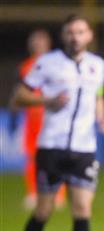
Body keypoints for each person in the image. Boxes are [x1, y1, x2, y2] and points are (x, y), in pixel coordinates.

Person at [11, 15, 104, 231]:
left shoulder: (97, 65)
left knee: (82, 210)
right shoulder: (48, 63)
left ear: (89, 36)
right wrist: (46, 100)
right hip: (51, 147)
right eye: (70, 32)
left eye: (80, 31)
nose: (75, 37)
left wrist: (102, 117)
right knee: (43, 212)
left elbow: (98, 96)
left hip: (84, 149)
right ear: (64, 36)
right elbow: (20, 95)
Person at [11, 29, 69, 210]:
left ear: (48, 43)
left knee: (57, 156)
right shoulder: (25, 66)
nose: (37, 44)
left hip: (52, 116)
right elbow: (18, 92)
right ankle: (33, 193)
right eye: (34, 40)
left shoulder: (58, 64)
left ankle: (58, 195)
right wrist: (14, 109)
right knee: (32, 157)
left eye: (40, 40)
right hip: (32, 118)